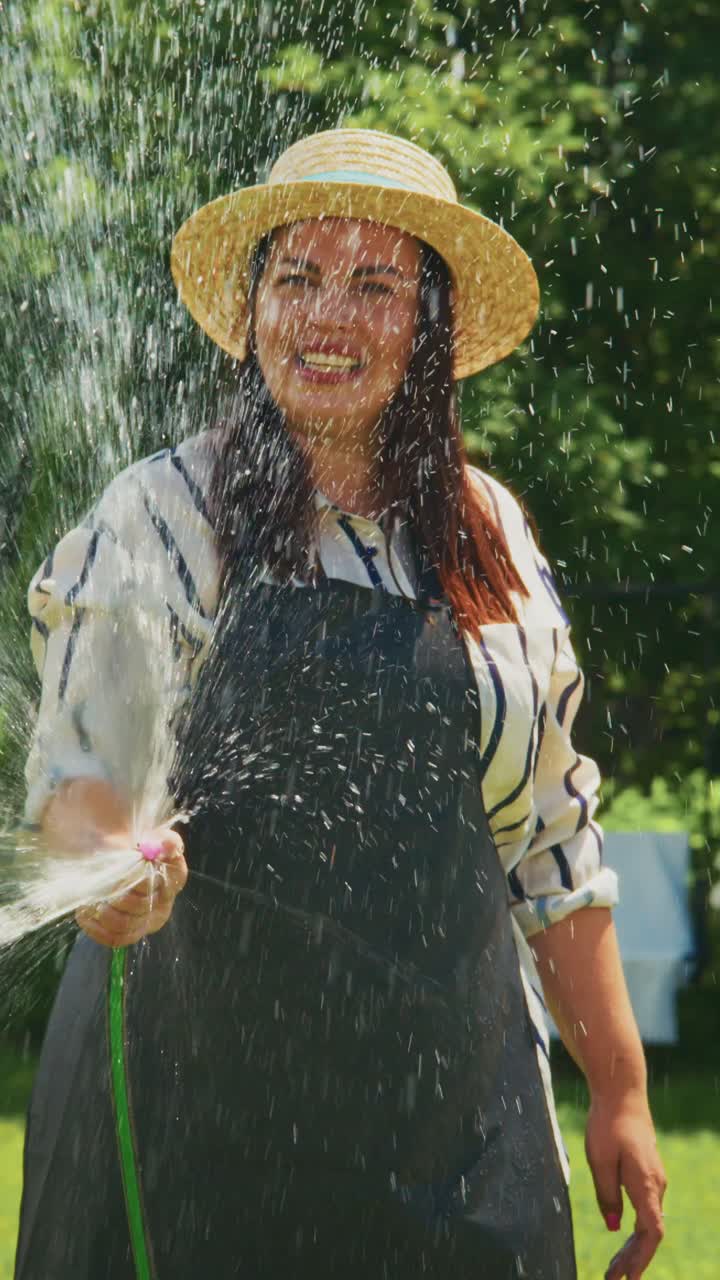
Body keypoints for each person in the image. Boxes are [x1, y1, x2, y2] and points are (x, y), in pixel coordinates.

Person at [15, 129, 665, 1280]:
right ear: (253, 302)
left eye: (376, 283)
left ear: (429, 325)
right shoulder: (161, 516)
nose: (330, 315)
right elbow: (81, 783)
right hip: (190, 1140)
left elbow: (553, 847)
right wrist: (112, 866)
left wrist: (620, 1091)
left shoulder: (492, 541)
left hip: (456, 1142)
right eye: (297, 276)